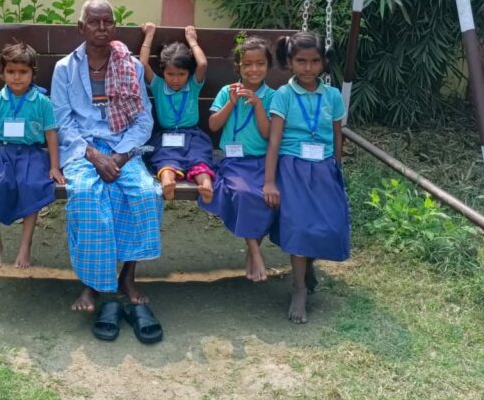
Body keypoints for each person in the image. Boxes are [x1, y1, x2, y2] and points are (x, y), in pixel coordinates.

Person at [51, 0, 164, 342]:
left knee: (146, 194)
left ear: (114, 27)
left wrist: (118, 154)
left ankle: (128, 276)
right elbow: (61, 120)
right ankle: (92, 284)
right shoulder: (65, 68)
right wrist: (93, 155)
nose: (102, 28)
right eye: (95, 22)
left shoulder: (128, 64)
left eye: (108, 23)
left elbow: (144, 119)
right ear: (81, 27)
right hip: (82, 149)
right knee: (86, 196)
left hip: (126, 148)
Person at [263, 32, 350, 324]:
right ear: (289, 62)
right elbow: (274, 141)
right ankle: (298, 288)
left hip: (324, 168)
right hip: (293, 167)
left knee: (329, 225)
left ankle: (307, 265)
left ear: (324, 62)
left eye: (315, 61)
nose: (308, 68)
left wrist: (336, 167)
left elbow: (337, 135)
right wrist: (270, 181)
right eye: (301, 61)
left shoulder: (333, 96)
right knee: (300, 226)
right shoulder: (283, 96)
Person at [0, 41, 64, 270]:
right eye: (11, 72)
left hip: (32, 155)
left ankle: (25, 245)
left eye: (23, 72)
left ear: (32, 74)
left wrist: (54, 166)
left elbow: (51, 135)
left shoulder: (42, 102)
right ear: (2, 74)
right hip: (2, 153)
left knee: (31, 185)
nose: (17, 77)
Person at [200, 37, 277, 283]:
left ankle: (251, 252)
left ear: (268, 66)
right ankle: (255, 251)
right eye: (248, 65)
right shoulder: (227, 91)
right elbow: (213, 125)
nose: (254, 70)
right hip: (232, 161)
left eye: (260, 64)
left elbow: (268, 134)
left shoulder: (273, 96)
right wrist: (231, 104)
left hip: (262, 161)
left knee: (265, 197)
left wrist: (257, 106)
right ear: (239, 67)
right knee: (243, 194)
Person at [138, 23, 215, 202]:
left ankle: (205, 184)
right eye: (170, 74)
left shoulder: (193, 86)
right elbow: (142, 64)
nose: (175, 79)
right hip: (166, 136)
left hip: (193, 134)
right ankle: (167, 182)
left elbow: (202, 64)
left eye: (181, 74)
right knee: (165, 157)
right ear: (163, 71)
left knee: (199, 156)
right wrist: (149, 35)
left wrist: (192, 40)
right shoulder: (158, 86)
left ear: (189, 73)